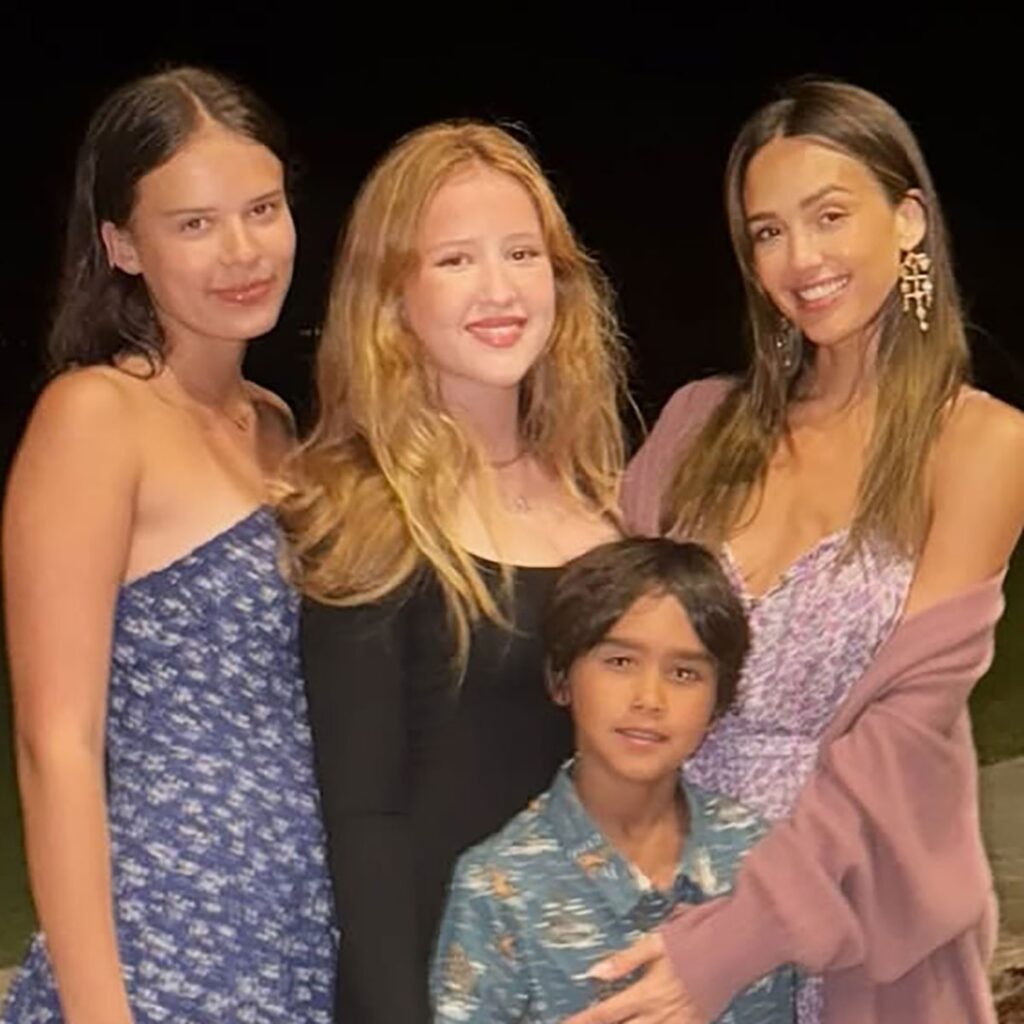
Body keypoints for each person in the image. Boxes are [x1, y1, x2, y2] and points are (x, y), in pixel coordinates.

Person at [569, 78, 1024, 1024]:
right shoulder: (697, 425)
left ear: (908, 220)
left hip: (859, 931)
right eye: (768, 232)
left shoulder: (979, 445)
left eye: (829, 216)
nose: (800, 258)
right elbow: (596, 646)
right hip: (662, 904)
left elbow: (902, 737)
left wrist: (735, 941)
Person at [2, 67, 335, 1024]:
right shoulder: (95, 417)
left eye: (262, 209)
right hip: (158, 949)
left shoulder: (278, 426)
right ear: (122, 245)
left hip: (294, 945)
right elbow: (56, 744)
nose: (243, 251)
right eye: (194, 224)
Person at [277, 120, 627, 1022]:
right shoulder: (366, 517)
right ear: (392, 298)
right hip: (438, 991)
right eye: (456, 260)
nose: (499, 288)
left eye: (522, 253)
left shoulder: (602, 508)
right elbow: (366, 824)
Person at [431, 536, 796, 1023]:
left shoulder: (758, 857)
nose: (650, 698)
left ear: (719, 702)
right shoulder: (499, 886)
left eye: (684, 673)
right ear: (561, 678)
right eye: (620, 662)